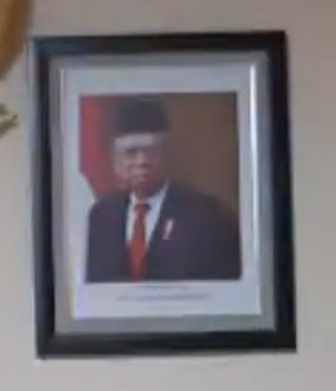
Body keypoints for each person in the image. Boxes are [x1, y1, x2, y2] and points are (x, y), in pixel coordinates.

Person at [83, 96, 243, 283]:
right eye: (131, 153)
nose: (142, 161)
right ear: (115, 161)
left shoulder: (208, 216)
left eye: (151, 151)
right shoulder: (101, 216)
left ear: (167, 155)